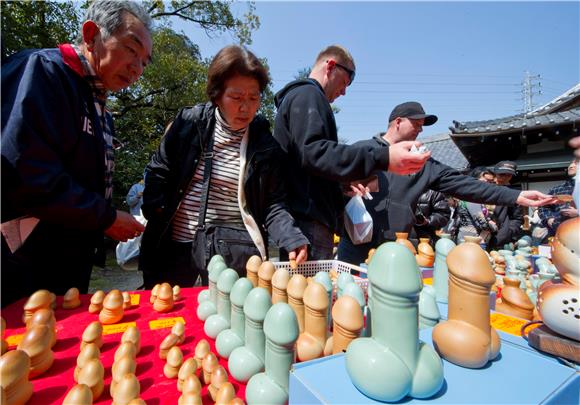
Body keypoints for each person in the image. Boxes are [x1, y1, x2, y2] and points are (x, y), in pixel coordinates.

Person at [1, 0, 152, 307]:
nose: (137, 68)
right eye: (131, 50)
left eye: (145, 61)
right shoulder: (44, 73)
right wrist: (106, 217)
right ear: (91, 34)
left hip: (69, 260)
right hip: (24, 261)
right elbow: (25, 172)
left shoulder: (101, 108)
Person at [140, 45, 309, 288]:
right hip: (177, 249)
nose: (246, 108)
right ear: (217, 94)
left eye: (254, 98)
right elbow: (159, 170)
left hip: (234, 255)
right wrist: (155, 209)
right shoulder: (189, 123)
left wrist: (291, 236)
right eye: (237, 98)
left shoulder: (265, 145)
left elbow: (274, 203)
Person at [337, 101, 558, 265]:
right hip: (355, 245)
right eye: (416, 123)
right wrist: (343, 187)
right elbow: (327, 180)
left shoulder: (422, 163)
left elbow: (465, 185)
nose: (421, 130)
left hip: (398, 247)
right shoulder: (363, 150)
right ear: (397, 122)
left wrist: (515, 196)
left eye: (422, 125)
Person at [273, 45, 431, 260]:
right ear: (330, 65)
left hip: (306, 219)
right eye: (345, 82)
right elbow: (314, 152)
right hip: (308, 223)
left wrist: (340, 183)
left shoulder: (302, 97)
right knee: (312, 291)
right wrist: (384, 157)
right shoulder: (309, 94)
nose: (344, 91)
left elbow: (308, 165)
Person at [456, 167, 500, 247]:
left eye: (491, 182)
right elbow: (482, 223)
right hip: (471, 241)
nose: (488, 185)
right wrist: (494, 226)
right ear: (474, 180)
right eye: (486, 181)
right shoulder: (472, 197)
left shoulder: (472, 195)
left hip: (471, 239)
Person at [488, 161, 524, 249]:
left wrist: (509, 232)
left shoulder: (513, 193)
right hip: (480, 234)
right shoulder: (486, 188)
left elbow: (517, 217)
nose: (505, 177)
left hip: (501, 238)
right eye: (502, 174)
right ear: (495, 173)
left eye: (509, 175)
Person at [538, 158, 578, 236]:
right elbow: (543, 206)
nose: (571, 166)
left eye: (576, 163)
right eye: (571, 163)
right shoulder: (557, 189)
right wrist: (549, 219)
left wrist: (578, 213)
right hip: (558, 231)